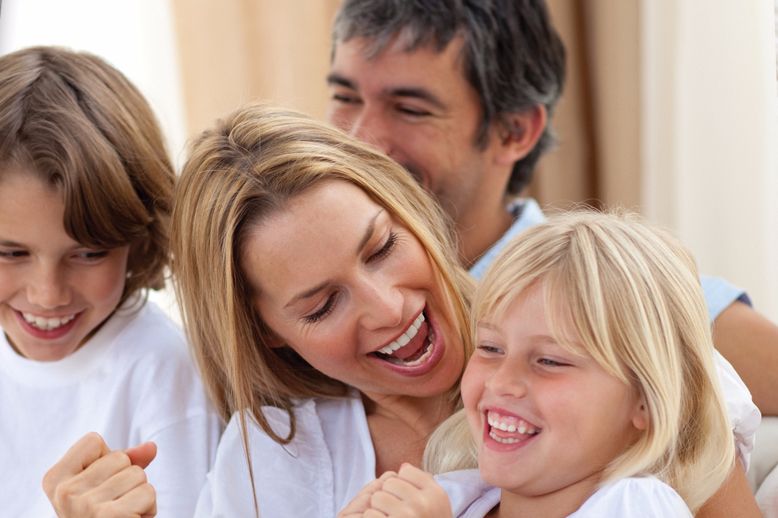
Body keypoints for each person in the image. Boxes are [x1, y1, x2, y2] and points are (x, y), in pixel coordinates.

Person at [325, 2, 770, 514]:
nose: (359, 137)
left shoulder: (618, 283)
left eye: (411, 109)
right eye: (344, 95)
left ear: (515, 130)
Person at [171, 102, 473, 517]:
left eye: (382, 247)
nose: (387, 308)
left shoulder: (567, 347)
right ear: (266, 332)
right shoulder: (270, 458)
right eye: (322, 306)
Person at [340, 211, 738, 517]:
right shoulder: (456, 495)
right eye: (491, 348)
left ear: (645, 401)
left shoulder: (637, 504)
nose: (502, 382)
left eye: (549, 360)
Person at [0, 46, 221, 517]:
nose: (47, 293)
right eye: (10, 252)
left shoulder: (167, 377)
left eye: (88, 253)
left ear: (138, 240)